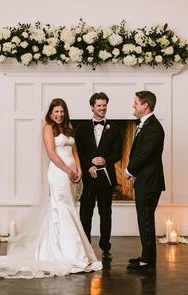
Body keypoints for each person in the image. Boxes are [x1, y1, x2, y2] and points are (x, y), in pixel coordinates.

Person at [0, 98, 102, 278]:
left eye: (62, 111)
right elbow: (51, 154)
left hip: (72, 173)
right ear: (50, 113)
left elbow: (74, 152)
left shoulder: (68, 128)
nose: (59, 114)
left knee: (69, 209)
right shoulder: (48, 128)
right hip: (58, 174)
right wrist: (68, 171)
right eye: (56, 111)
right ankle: (70, 254)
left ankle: (67, 249)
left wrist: (79, 170)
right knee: (63, 209)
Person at [75, 92, 122, 261]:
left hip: (106, 179)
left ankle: (105, 246)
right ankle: (85, 245)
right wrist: (88, 166)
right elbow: (78, 152)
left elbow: (118, 153)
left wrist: (105, 160)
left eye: (104, 105)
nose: (102, 108)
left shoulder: (115, 129)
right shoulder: (81, 129)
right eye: (99, 105)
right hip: (88, 178)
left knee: (105, 213)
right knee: (85, 213)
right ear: (92, 107)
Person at [125, 91, 165, 271]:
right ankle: (147, 256)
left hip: (149, 182)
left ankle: (147, 261)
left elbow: (144, 155)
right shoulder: (147, 125)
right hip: (145, 180)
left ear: (145, 106)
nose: (133, 105)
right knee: (144, 220)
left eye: (136, 103)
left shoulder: (154, 128)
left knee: (146, 220)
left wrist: (129, 170)